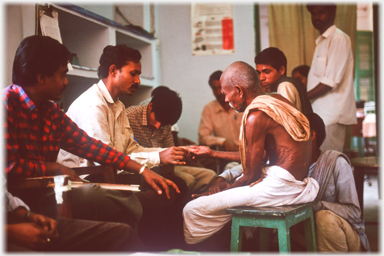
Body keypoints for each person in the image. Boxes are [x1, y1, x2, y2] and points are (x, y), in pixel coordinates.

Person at [5, 35, 178, 250]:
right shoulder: (7, 106)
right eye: (62, 75)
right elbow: (10, 166)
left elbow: (91, 146)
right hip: (29, 198)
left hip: (52, 190)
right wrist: (54, 167)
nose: (66, 82)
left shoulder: (49, 111)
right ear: (41, 77)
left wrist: (143, 169)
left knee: (132, 204)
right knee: (122, 202)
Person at [56, 44, 189, 251]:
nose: (138, 80)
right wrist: (152, 163)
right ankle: (155, 249)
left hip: (112, 174)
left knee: (175, 185)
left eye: (139, 75)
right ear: (113, 71)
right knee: (164, 193)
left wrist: (162, 154)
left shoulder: (117, 106)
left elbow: (129, 149)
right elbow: (104, 159)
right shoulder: (94, 105)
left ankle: (170, 249)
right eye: (133, 73)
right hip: (89, 179)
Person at [182, 61, 319, 248]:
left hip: (280, 187)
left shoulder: (256, 116)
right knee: (228, 179)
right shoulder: (279, 100)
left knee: (192, 209)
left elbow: (251, 175)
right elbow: (257, 157)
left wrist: (214, 194)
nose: (226, 100)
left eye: (225, 93)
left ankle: (208, 250)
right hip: (294, 180)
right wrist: (212, 153)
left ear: (239, 90)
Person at [126, 88, 217, 194]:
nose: (158, 126)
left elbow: (170, 149)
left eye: (164, 124)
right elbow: (127, 154)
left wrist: (185, 153)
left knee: (210, 176)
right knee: (188, 180)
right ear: (150, 106)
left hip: (164, 168)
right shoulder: (129, 117)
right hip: (140, 168)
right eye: (158, 120)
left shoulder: (166, 121)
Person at [5, 186, 144, 252]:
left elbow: (5, 195)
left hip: (17, 217)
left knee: (122, 235)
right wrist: (9, 232)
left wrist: (27, 215)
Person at [305, 112, 370, 252]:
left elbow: (354, 213)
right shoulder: (290, 169)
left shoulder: (337, 163)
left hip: (346, 237)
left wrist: (319, 206)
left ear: (312, 135)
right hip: (309, 237)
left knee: (324, 219)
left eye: (295, 130)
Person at [306, 3, 357, 152]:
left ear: (333, 12)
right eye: (313, 14)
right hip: (321, 114)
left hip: (332, 115)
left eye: (321, 12)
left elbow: (329, 83)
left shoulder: (339, 39)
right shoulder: (321, 41)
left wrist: (302, 97)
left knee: (330, 164)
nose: (317, 17)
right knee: (320, 164)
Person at [198, 70, 243, 171]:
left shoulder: (242, 104)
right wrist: (222, 142)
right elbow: (203, 137)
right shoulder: (209, 109)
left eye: (221, 88)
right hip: (227, 156)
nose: (218, 92)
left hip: (249, 152)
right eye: (215, 89)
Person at [254, 47, 313, 115]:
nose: (261, 78)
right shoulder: (277, 86)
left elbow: (283, 120)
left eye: (267, 72)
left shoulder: (285, 86)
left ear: (281, 70)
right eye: (259, 73)